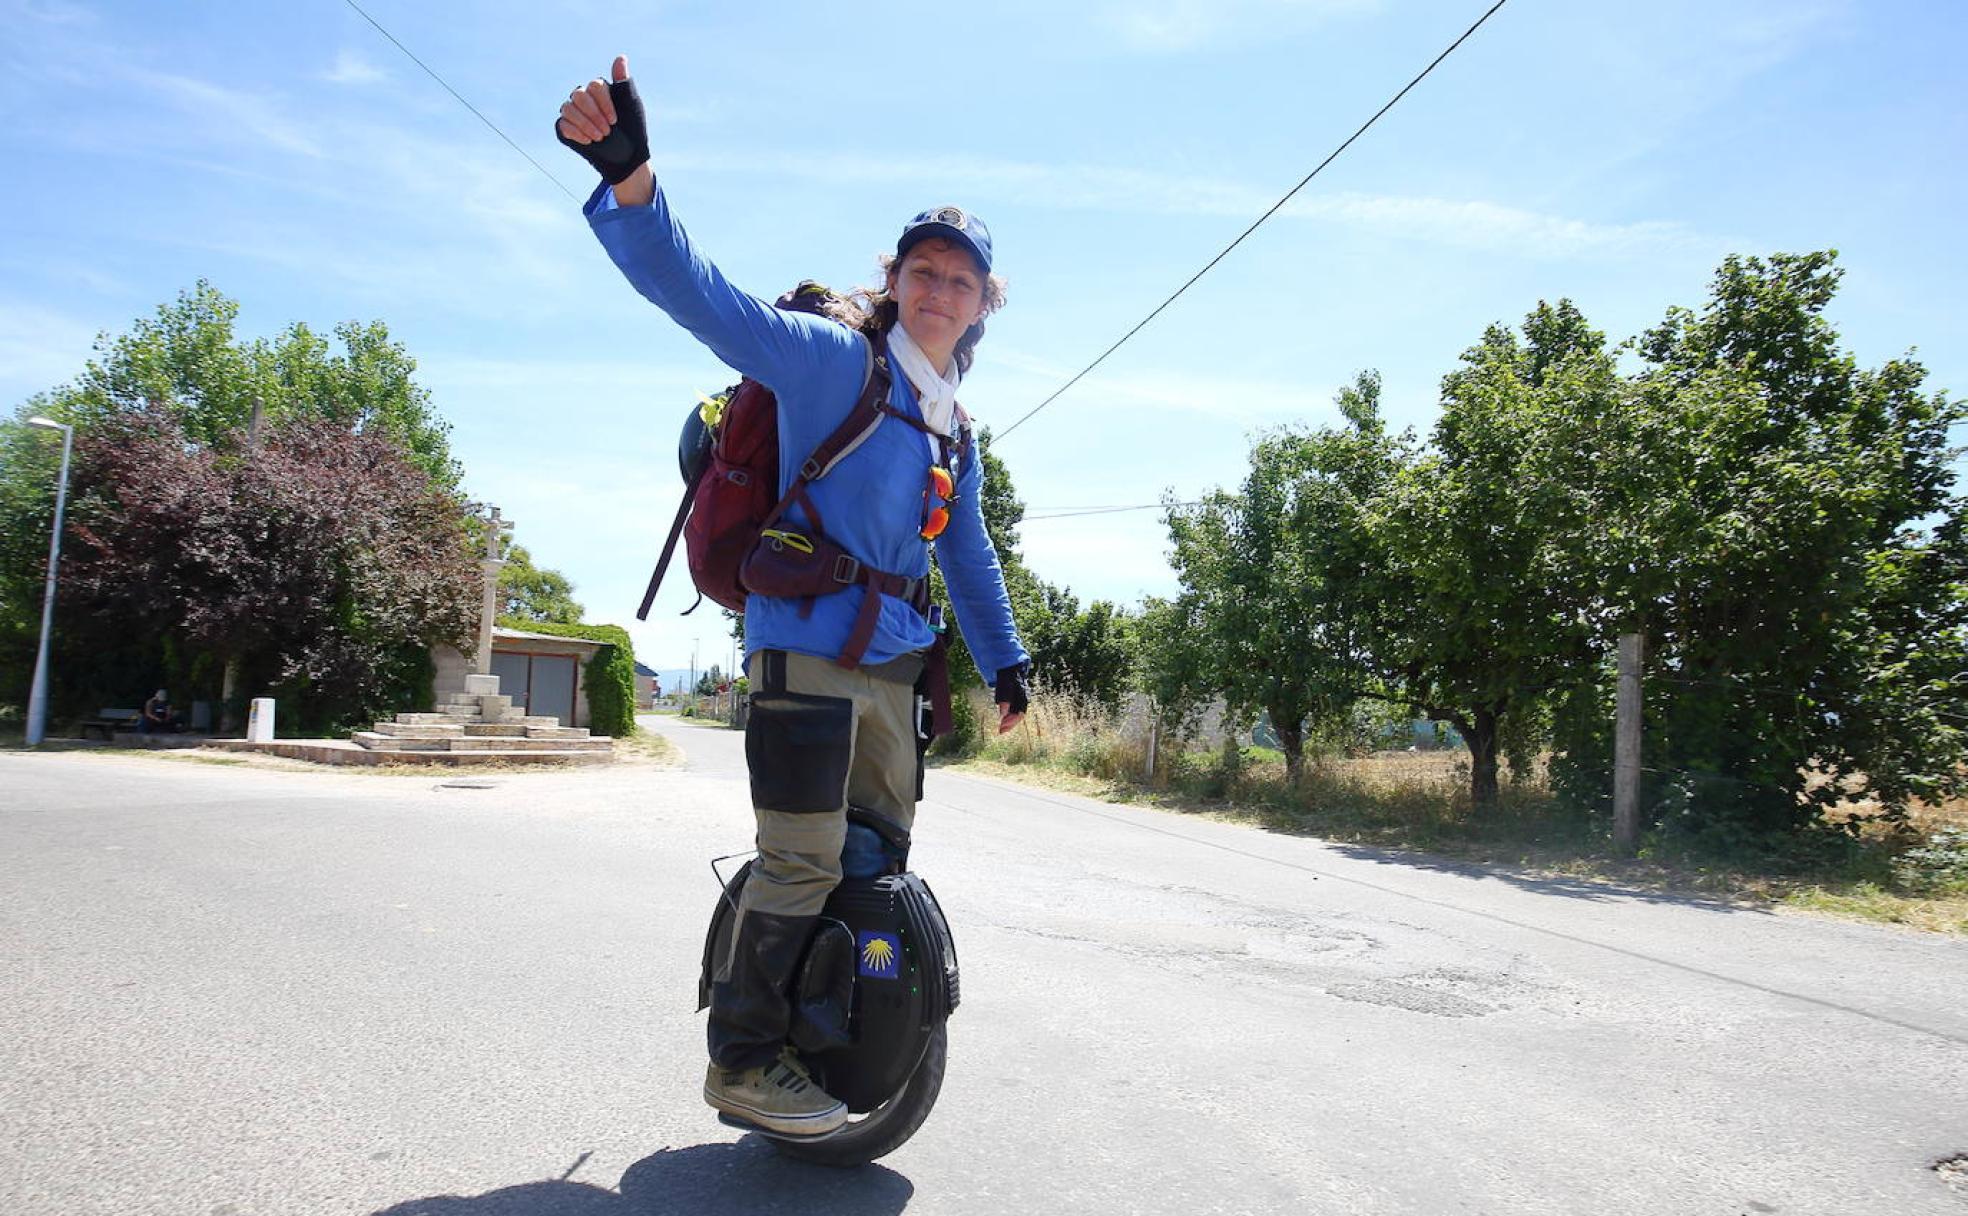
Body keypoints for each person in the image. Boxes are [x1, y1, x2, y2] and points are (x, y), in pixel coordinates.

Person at [557, 55, 1031, 1138]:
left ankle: (825, 1042)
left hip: (893, 670)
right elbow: (702, 295)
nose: (939, 290)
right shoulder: (830, 363)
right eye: (924, 270)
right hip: (805, 653)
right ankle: (743, 1059)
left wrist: (1006, 658)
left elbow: (968, 552)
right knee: (802, 855)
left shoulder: (951, 423)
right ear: (897, 279)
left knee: (868, 864)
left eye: (961, 280)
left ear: (983, 304)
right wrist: (633, 184)